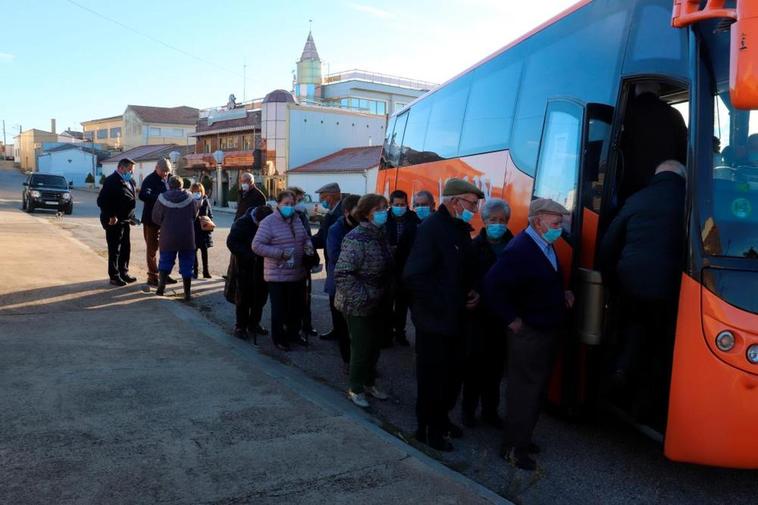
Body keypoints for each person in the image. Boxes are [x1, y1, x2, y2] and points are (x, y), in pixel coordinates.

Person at [483, 198, 574, 471]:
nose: (560, 228)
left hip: (545, 328)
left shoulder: (543, 244)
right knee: (524, 391)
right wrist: (512, 319)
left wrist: (563, 294)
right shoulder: (521, 249)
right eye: (556, 223)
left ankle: (523, 439)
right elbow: (492, 285)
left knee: (536, 390)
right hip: (530, 333)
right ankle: (513, 448)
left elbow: (541, 282)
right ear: (538, 221)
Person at [598, 160, 686, 426]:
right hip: (672, 290)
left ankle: (621, 373)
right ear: (683, 176)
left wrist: (609, 280)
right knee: (661, 345)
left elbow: (610, 242)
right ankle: (646, 407)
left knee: (633, 330)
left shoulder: (637, 199)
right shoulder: (693, 201)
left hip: (631, 284)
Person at [403, 178, 484, 451]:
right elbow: (415, 276)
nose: (474, 208)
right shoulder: (432, 229)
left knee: (451, 378)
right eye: (472, 203)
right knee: (432, 380)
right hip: (435, 322)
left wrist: (471, 291)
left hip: (455, 320)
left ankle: (442, 419)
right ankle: (427, 430)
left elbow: (461, 270)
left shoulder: (458, 229)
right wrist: (445, 305)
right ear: (454, 201)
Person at [334, 194, 394, 408]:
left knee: (375, 345)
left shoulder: (380, 234)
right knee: (361, 347)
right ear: (367, 212)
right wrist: (363, 297)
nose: (384, 212)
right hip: (357, 304)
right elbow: (342, 273)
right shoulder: (356, 237)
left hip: (379, 301)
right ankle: (355, 388)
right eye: (379, 209)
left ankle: (369, 382)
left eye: (385, 208)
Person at [462, 198, 514, 429]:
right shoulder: (474, 247)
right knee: (474, 368)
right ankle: (468, 411)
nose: (498, 224)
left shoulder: (514, 246)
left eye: (502, 220)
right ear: (484, 221)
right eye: (493, 220)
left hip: (502, 317)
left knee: (495, 370)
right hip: (478, 317)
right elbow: (465, 279)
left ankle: (490, 412)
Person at [252, 190, 312, 351]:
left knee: (296, 307)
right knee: (279, 309)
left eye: (292, 204)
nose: (290, 207)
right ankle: (279, 338)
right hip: (277, 274)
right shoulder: (268, 222)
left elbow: (305, 237)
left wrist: (308, 245)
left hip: (297, 272)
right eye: (286, 204)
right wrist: (280, 254)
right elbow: (257, 246)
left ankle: (293, 333)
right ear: (278, 204)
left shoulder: (297, 220)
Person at [227, 205, 273, 341]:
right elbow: (232, 242)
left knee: (260, 296)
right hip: (244, 266)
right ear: (256, 219)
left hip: (263, 265)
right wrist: (249, 255)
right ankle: (240, 326)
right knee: (244, 297)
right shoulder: (242, 223)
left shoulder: (268, 220)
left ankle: (254, 323)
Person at [325, 194, 361, 366]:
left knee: (359, 330)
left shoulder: (364, 226)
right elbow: (335, 256)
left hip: (360, 287)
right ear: (347, 212)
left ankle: (361, 363)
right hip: (339, 286)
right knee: (343, 329)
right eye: (358, 211)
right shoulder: (336, 229)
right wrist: (362, 259)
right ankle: (349, 362)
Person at [151, 176, 200, 301]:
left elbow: (155, 218)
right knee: (187, 264)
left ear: (169, 185)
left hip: (168, 235)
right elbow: (195, 214)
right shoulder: (190, 198)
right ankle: (187, 293)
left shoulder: (161, 198)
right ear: (181, 185)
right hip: (187, 235)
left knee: (165, 261)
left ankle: (161, 288)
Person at [385, 189, 420, 346]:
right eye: (397, 204)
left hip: (406, 267)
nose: (400, 207)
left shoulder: (413, 218)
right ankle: (386, 334)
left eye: (403, 204)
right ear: (391, 204)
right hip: (388, 268)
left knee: (402, 304)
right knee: (386, 302)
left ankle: (400, 332)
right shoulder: (384, 218)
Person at [97, 158, 138, 286]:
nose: (131, 173)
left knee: (126, 248)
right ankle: (114, 276)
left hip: (125, 220)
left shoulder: (130, 181)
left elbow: (129, 201)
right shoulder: (111, 181)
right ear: (121, 168)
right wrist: (111, 215)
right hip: (113, 221)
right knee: (115, 249)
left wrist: (132, 217)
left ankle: (123, 272)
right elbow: (101, 201)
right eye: (129, 170)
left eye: (132, 171)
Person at [310, 182, 344, 340]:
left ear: (331, 196)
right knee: (333, 299)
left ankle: (342, 332)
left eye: (323, 198)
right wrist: (306, 242)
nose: (322, 201)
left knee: (339, 299)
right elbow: (321, 237)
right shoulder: (332, 212)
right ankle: (337, 329)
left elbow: (326, 238)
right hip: (333, 261)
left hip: (340, 262)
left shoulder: (341, 213)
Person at [138, 158, 175, 287]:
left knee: (166, 248)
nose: (165, 174)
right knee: (152, 249)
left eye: (167, 171)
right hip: (151, 220)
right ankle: (152, 276)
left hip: (167, 221)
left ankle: (164, 273)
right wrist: (161, 198)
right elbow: (142, 195)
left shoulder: (171, 178)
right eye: (163, 171)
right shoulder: (149, 179)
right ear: (157, 168)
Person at [289, 186, 318, 338]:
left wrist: (311, 256)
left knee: (305, 295)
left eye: (300, 199)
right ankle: (292, 327)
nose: (299, 203)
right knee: (291, 298)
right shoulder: (283, 216)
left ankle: (307, 325)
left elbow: (308, 236)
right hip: (289, 262)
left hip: (303, 262)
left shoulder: (301, 215)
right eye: (298, 199)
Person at [191, 182, 214, 279]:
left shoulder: (205, 200)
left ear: (202, 191)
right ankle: (195, 271)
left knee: (204, 252)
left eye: (198, 191)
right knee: (194, 252)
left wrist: (209, 222)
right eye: (195, 191)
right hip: (193, 230)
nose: (197, 193)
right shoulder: (189, 201)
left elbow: (210, 214)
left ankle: (206, 271)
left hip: (204, 230)